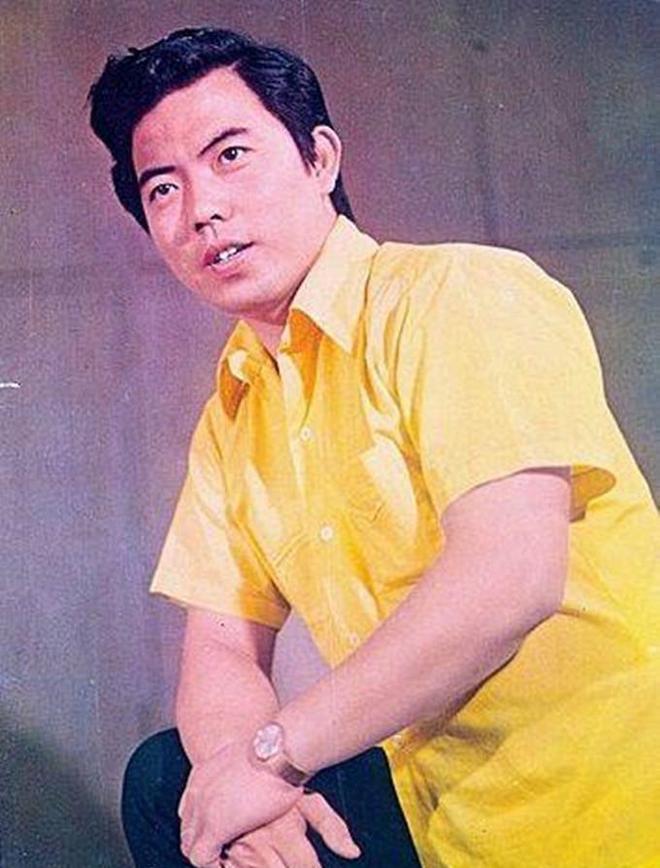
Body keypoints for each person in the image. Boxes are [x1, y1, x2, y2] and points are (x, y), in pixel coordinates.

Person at [88, 26, 660, 868]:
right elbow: (220, 647)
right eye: (164, 187)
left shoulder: (458, 296)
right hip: (422, 814)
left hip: (593, 810)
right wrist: (247, 791)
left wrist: (273, 758)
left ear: (319, 159)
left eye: (231, 156)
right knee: (170, 780)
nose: (202, 207)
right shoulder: (238, 405)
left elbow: (511, 577)